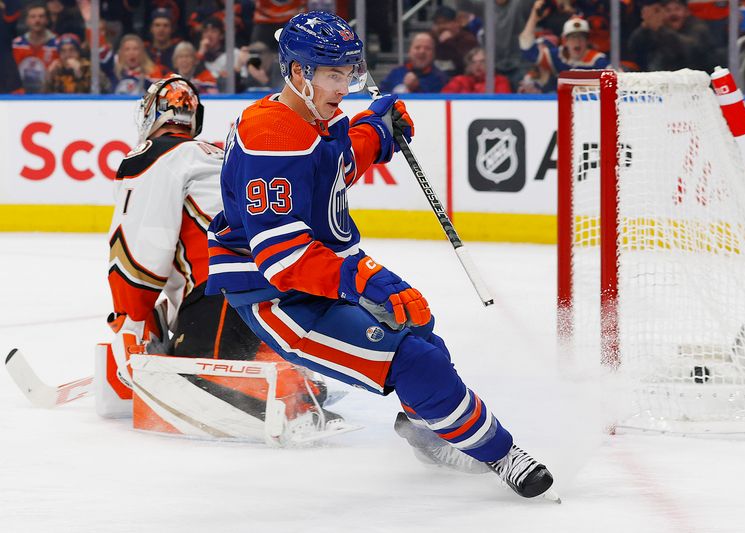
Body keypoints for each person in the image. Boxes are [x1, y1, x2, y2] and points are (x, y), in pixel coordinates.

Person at [206, 11, 555, 499]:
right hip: (281, 300)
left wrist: (378, 130)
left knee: (419, 327)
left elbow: (337, 167)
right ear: (298, 73)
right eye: (333, 75)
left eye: (349, 74)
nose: (344, 86)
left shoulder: (313, 119)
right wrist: (362, 276)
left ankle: (425, 432)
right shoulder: (272, 136)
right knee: (415, 362)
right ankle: (502, 455)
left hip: (321, 277)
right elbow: (282, 258)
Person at [107, 75, 331, 424]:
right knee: (247, 344)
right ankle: (285, 373)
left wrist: (131, 322)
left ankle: (275, 390)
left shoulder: (150, 156)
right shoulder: (217, 153)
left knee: (191, 386)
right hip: (286, 283)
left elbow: (138, 251)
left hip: (225, 290)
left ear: (150, 115)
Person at [519, 12, 610, 92]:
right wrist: (534, 15)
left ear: (587, 41)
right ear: (565, 41)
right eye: (573, 37)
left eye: (581, 37)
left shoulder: (598, 60)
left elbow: (615, 80)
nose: (577, 41)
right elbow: (528, 49)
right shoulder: (557, 56)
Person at [379, 32, 449, 94]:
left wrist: (417, 88)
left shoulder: (441, 79)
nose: (422, 51)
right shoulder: (395, 73)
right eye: (417, 47)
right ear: (410, 51)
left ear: (434, 53)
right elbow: (379, 96)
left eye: (427, 48)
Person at [12, 2, 58, 93]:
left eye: (41, 16)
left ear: (47, 20)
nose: (37, 20)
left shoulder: (57, 44)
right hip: (19, 97)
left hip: (49, 96)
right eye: (33, 17)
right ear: (26, 21)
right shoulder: (16, 45)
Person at [44, 32, 108, 93]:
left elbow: (104, 91)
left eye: (72, 50)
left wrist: (80, 75)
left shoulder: (90, 68)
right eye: (63, 51)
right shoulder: (56, 69)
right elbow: (42, 97)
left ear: (78, 53)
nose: (67, 55)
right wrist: (48, 77)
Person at [430, 5, 479, 77]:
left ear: (457, 23)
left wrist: (449, 42)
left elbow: (466, 64)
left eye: (445, 22)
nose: (441, 27)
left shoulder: (468, 39)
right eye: (438, 23)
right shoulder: (431, 38)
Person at [441, 47, 513, 93]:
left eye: (482, 61)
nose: (478, 65)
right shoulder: (459, 81)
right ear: (469, 65)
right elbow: (443, 98)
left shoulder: (500, 81)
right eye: (474, 62)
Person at [145, 8, 179, 72]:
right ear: (151, 28)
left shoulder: (178, 52)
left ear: (172, 29)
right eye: (157, 25)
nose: (161, 29)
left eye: (165, 25)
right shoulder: (144, 53)